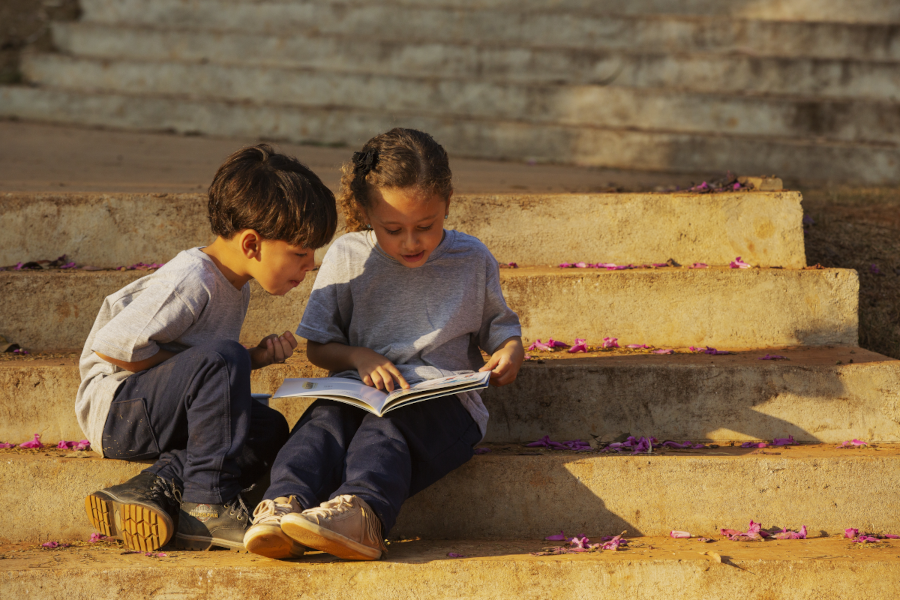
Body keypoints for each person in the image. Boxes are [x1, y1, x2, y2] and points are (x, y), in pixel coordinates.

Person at [243, 128, 524, 560]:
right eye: (393, 229)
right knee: (320, 426)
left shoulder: (472, 258)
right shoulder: (348, 255)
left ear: (447, 203)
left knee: (387, 430)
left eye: (426, 227)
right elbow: (319, 347)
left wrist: (510, 351)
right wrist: (358, 356)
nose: (411, 242)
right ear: (364, 211)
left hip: (442, 405)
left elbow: (501, 332)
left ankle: (362, 513)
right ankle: (282, 507)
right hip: (357, 393)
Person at [77, 144, 337, 552]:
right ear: (252, 244)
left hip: (158, 411)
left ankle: (155, 484)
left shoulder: (236, 284)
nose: (309, 267)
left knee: (269, 428)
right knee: (223, 358)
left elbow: (204, 372)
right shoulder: (193, 279)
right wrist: (221, 361)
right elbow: (114, 348)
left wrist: (252, 359)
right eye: (300, 254)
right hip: (119, 412)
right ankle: (206, 506)